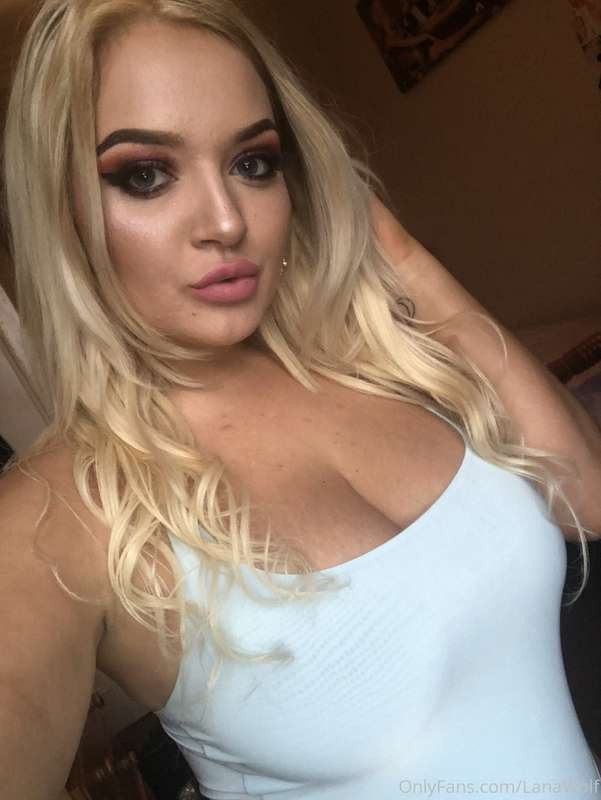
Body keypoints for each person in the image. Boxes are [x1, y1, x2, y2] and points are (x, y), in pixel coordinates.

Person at [1, 1, 601, 798]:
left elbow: (582, 502)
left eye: (254, 163)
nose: (226, 221)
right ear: (63, 209)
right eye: (145, 175)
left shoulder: (372, 360)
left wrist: (402, 256)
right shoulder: (60, 516)